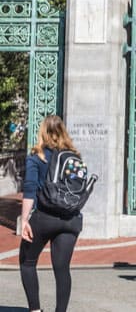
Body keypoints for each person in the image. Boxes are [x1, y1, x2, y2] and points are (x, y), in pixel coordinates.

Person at [19, 115, 84, 312]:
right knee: (62, 268)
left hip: (44, 217)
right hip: (70, 219)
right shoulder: (74, 156)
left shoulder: (36, 156)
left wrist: (24, 220)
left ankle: (35, 310)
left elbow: (30, 189)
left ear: (42, 132)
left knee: (27, 262)